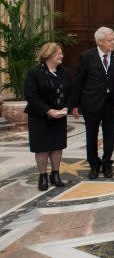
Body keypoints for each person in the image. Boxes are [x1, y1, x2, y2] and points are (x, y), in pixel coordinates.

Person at [71, 26, 114, 180]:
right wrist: (74, 104)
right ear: (100, 41)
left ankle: (107, 163)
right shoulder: (86, 57)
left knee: (110, 136)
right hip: (91, 103)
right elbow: (78, 81)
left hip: (112, 104)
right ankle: (94, 165)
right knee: (91, 136)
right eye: (110, 40)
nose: (113, 42)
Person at [24, 43, 72, 191]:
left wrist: (67, 106)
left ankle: (55, 174)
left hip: (59, 115)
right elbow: (31, 96)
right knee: (42, 148)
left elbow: (71, 91)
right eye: (59, 53)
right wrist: (48, 110)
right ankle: (43, 176)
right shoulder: (34, 73)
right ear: (49, 55)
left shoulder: (64, 72)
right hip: (39, 116)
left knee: (57, 146)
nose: (61, 56)